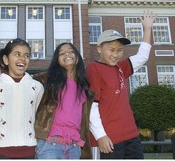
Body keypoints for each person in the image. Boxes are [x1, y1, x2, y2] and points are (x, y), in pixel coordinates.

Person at [86, 10, 156, 159]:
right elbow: (91, 105)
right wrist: (100, 136)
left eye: (119, 50)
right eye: (111, 50)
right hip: (109, 139)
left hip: (131, 136)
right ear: (99, 48)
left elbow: (142, 56)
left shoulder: (121, 67)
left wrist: (148, 28)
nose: (115, 54)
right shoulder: (94, 69)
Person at [0, 38, 44, 159]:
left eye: (26, 55)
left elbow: (38, 114)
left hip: (29, 148)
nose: (22, 58)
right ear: (6, 59)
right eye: (17, 54)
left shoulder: (37, 87)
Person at [33, 42, 95, 159]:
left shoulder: (84, 88)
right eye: (62, 53)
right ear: (57, 60)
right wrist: (1, 66)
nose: (67, 54)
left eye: (71, 51)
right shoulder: (47, 79)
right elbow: (22, 80)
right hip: (50, 144)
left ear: (77, 57)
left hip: (74, 146)